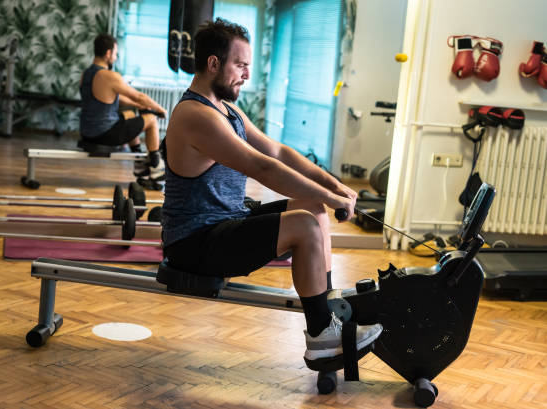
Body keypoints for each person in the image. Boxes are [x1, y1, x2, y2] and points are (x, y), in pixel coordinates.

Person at [161, 18, 382, 367]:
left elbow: (276, 152)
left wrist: (333, 186)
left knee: (311, 208)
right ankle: (322, 335)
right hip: (194, 242)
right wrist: (333, 198)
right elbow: (262, 168)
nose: (246, 75)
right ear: (213, 64)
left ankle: (325, 307)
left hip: (225, 222)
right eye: (241, 65)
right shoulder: (194, 114)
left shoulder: (226, 109)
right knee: (305, 226)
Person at [79, 34, 168, 184]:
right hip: (104, 134)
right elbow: (139, 96)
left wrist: (137, 106)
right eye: (115, 54)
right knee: (151, 120)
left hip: (86, 132)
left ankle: (139, 163)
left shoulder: (86, 74)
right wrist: (161, 110)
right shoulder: (109, 76)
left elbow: (111, 98)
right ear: (108, 53)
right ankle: (156, 167)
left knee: (129, 115)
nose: (115, 57)